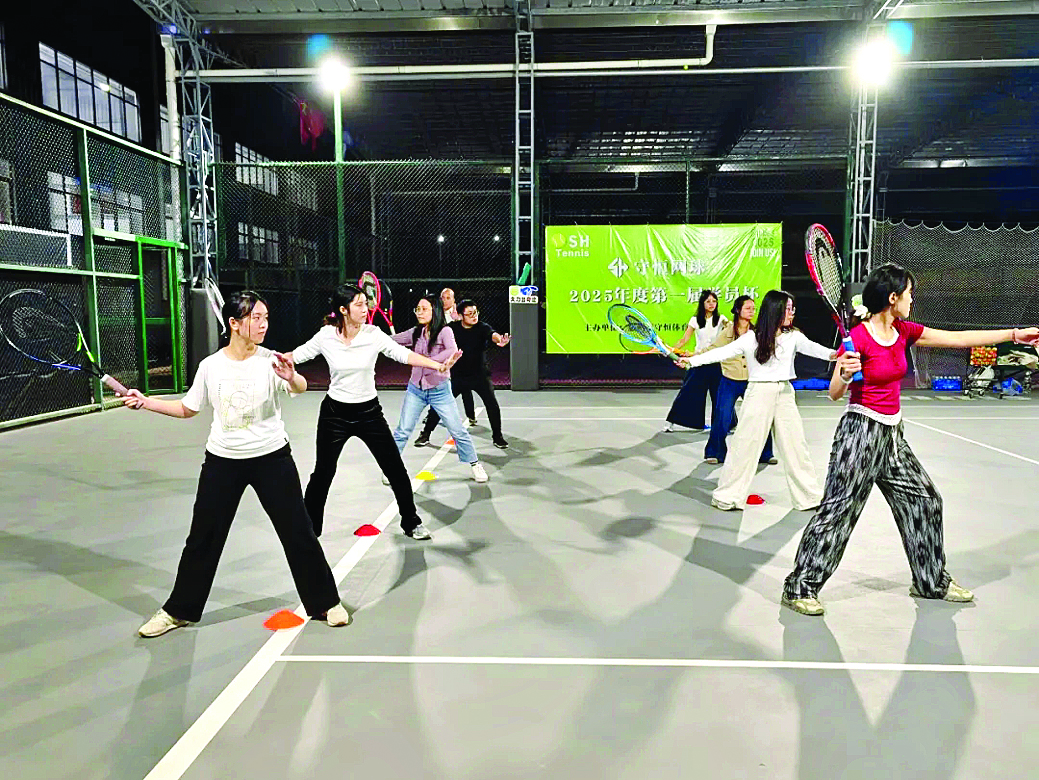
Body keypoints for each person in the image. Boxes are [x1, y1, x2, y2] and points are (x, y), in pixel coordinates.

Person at [782, 264, 1039, 616]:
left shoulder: (903, 331)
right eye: (909, 294)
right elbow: (834, 393)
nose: (911, 300)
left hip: (892, 436)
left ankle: (930, 581)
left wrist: (1015, 334)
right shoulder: (858, 338)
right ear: (893, 297)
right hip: (861, 435)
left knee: (925, 500)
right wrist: (844, 373)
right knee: (838, 513)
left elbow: (958, 339)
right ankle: (800, 587)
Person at [127, 291, 350, 638]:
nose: (263, 324)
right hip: (223, 461)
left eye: (265, 317)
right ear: (233, 323)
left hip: (272, 458)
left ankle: (325, 602)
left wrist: (291, 376)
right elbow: (187, 408)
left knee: (299, 531)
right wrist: (147, 402)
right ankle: (177, 611)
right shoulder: (210, 366)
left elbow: (301, 387)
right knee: (203, 538)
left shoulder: (271, 361)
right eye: (255, 318)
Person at [286, 284, 460, 542]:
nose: (365, 308)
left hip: (369, 413)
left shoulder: (373, 334)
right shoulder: (326, 336)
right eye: (358, 304)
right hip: (334, 414)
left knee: (395, 470)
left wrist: (437, 365)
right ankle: (309, 529)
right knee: (323, 472)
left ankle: (411, 522)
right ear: (343, 310)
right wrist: (265, 360)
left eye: (366, 303)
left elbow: (404, 355)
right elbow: (297, 355)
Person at [679, 290, 837, 511]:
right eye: (788, 308)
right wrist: (691, 362)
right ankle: (728, 496)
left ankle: (809, 497)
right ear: (775, 310)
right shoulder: (751, 338)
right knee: (745, 445)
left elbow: (820, 351)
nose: (792, 313)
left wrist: (839, 354)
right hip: (758, 393)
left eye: (792, 308)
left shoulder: (794, 336)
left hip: (785, 394)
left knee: (796, 446)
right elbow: (720, 353)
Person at [390, 295, 489, 482]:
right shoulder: (415, 332)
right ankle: (390, 467)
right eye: (417, 309)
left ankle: (475, 464)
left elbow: (451, 350)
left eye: (424, 309)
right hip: (416, 390)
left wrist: (428, 362)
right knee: (402, 431)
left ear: (434, 310)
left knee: (457, 430)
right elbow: (392, 340)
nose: (419, 313)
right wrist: (373, 336)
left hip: (440, 390)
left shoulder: (445, 331)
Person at [415, 299, 511, 449]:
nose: (474, 316)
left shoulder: (482, 327)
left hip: (479, 375)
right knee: (439, 405)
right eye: (470, 314)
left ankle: (497, 437)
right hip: (457, 376)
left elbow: (493, 335)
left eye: (476, 312)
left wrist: (500, 340)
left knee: (492, 404)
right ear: (460, 316)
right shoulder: (451, 329)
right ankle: (425, 434)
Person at [703, 295, 776, 466]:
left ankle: (765, 453)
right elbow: (713, 349)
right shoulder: (727, 332)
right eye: (748, 308)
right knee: (722, 417)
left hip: (752, 381)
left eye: (753, 308)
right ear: (738, 310)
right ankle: (715, 452)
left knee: (760, 416)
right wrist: (690, 358)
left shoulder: (757, 332)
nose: (752, 311)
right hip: (729, 380)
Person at [663, 290, 727, 433]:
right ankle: (670, 422)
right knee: (688, 392)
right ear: (702, 303)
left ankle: (727, 424)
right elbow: (684, 339)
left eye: (714, 301)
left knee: (720, 394)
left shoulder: (721, 319)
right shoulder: (695, 320)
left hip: (715, 361)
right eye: (708, 301)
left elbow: (731, 328)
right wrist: (672, 349)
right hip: (698, 362)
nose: (712, 304)